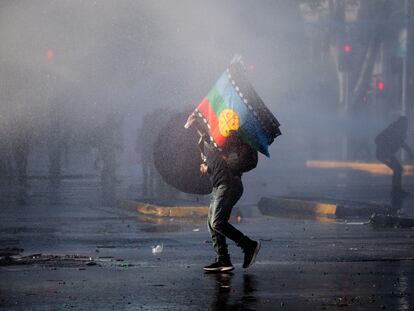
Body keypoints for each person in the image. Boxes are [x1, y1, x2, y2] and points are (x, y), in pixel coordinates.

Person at [186, 114, 260, 272]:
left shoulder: (229, 137)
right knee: (212, 225)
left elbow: (217, 147)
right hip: (219, 184)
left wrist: (197, 125)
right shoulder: (215, 142)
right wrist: (207, 167)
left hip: (229, 184)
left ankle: (249, 245)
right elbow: (211, 147)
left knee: (217, 222)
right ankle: (223, 259)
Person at [375, 116, 413, 197]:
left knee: (397, 169)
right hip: (384, 154)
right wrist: (384, 147)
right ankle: (396, 190)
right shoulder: (394, 130)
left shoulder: (397, 130)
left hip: (386, 153)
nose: (407, 126)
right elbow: (377, 139)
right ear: (401, 123)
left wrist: (409, 152)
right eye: (405, 124)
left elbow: (401, 143)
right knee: (398, 169)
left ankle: (396, 189)